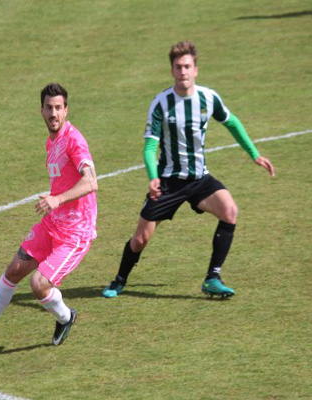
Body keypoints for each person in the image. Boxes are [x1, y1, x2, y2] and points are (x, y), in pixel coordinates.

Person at [102, 41, 275, 299]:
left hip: (199, 179)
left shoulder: (208, 98)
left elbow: (232, 122)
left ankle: (212, 278)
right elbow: (150, 147)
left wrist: (254, 154)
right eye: (178, 67)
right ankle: (119, 279)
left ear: (196, 70)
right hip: (168, 183)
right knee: (140, 240)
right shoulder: (160, 103)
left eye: (187, 66)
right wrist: (153, 177)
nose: (183, 71)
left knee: (230, 211)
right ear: (172, 70)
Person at [0, 83, 98, 346]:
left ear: (66, 110)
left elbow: (91, 182)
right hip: (53, 224)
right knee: (14, 270)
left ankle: (66, 316)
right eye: (49, 108)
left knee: (39, 285)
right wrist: (54, 201)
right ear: (41, 111)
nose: (54, 113)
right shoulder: (51, 142)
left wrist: (56, 198)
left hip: (75, 232)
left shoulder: (74, 140)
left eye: (59, 108)